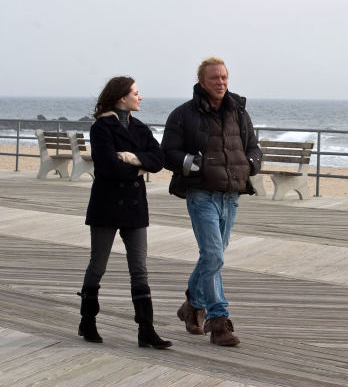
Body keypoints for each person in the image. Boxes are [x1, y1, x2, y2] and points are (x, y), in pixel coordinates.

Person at [161, 56, 262, 346]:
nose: (220, 82)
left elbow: (252, 145)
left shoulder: (239, 112)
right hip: (201, 193)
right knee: (214, 255)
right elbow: (168, 151)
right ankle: (219, 321)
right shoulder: (183, 114)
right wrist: (192, 164)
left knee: (212, 257)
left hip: (231, 196)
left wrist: (251, 165)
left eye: (224, 78)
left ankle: (191, 303)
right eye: (214, 78)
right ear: (202, 82)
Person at [78, 76, 172, 349]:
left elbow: (159, 160)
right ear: (122, 97)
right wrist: (140, 165)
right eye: (136, 93)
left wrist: (132, 158)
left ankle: (146, 330)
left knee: (140, 270)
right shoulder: (101, 128)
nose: (140, 97)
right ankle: (87, 320)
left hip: (134, 205)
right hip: (106, 204)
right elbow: (107, 166)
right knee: (98, 266)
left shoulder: (140, 128)